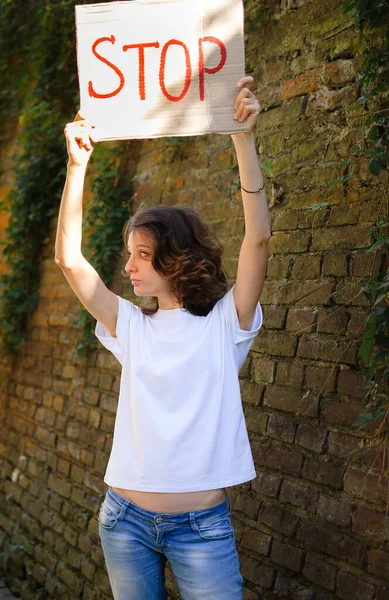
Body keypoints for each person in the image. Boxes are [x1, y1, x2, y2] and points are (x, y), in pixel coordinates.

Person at [55, 75, 271, 599]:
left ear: (177, 258)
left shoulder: (226, 322)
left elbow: (259, 239)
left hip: (201, 529)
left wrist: (243, 139)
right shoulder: (130, 325)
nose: (127, 266)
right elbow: (68, 259)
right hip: (124, 522)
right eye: (129, 253)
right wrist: (77, 164)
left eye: (142, 255)